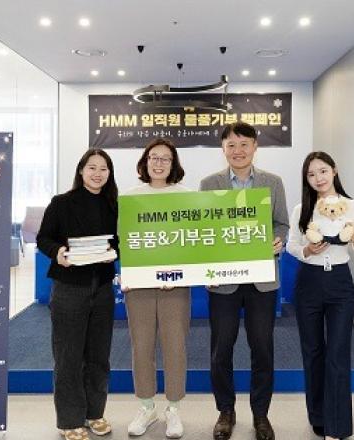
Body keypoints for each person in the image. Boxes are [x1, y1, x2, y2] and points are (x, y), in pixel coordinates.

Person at [199, 122, 289, 440]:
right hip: (223, 280)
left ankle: (261, 415)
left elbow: (281, 224)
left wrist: (278, 240)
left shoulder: (272, 182)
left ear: (255, 146)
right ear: (223, 149)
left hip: (261, 280)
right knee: (221, 349)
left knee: (262, 348)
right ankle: (226, 411)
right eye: (231, 145)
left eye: (244, 144)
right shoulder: (209, 184)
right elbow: (202, 229)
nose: (238, 151)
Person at [36, 148, 119, 440]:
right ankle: (70, 420)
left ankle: (94, 413)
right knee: (68, 356)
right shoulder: (61, 203)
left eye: (104, 169)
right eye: (92, 167)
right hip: (70, 288)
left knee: (99, 355)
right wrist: (58, 252)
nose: (98, 173)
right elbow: (43, 238)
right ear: (81, 170)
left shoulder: (114, 205)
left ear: (109, 174)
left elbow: (120, 242)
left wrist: (115, 252)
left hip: (103, 288)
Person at [286, 151, 354, 440]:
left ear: (334, 170)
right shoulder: (302, 209)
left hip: (340, 283)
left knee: (337, 352)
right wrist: (307, 250)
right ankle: (318, 417)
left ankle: (337, 426)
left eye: (322, 171)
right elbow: (291, 245)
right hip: (309, 282)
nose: (318, 178)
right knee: (312, 351)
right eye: (311, 174)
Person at [121, 138, 191, 439]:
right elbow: (124, 240)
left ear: (173, 164)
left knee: (175, 346)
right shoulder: (130, 197)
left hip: (175, 283)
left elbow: (195, 239)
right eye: (153, 157)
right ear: (145, 162)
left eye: (165, 158)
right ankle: (147, 407)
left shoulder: (186, 196)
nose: (159, 163)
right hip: (140, 284)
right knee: (142, 346)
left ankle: (173, 410)